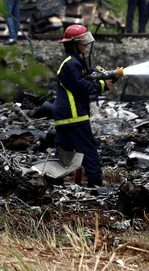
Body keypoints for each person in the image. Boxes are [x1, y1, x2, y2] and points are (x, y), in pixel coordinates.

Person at [53, 25, 113, 187]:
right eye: (83, 42)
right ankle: (96, 183)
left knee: (64, 151)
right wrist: (102, 85)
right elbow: (81, 86)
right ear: (73, 44)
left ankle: (53, 181)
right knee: (88, 149)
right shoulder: (71, 64)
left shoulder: (73, 62)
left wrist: (106, 74)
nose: (86, 45)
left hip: (64, 116)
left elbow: (87, 73)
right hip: (74, 115)